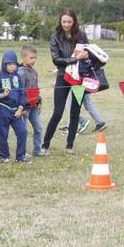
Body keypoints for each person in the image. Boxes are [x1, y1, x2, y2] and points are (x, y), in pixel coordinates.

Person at [41, 10, 89, 155]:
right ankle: (45, 145)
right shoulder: (55, 37)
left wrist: (86, 56)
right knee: (58, 112)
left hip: (79, 77)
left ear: (74, 21)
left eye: (69, 21)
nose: (66, 24)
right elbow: (56, 60)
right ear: (60, 22)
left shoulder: (81, 35)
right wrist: (75, 59)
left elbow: (88, 53)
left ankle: (70, 146)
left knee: (75, 112)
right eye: (64, 22)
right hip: (63, 76)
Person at [0, 49, 29, 163]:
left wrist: (21, 108)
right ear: (4, 64)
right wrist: (2, 95)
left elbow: (22, 93)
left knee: (23, 131)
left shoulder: (18, 77)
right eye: (9, 64)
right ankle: (4, 156)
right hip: (3, 109)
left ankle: (20, 156)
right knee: (3, 134)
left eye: (14, 64)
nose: (12, 67)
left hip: (16, 110)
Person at [18, 45, 45, 157]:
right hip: (25, 107)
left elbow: (36, 89)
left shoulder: (34, 73)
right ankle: (22, 152)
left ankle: (37, 150)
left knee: (38, 127)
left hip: (34, 106)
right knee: (23, 130)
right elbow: (20, 92)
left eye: (35, 58)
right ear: (23, 58)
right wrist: (22, 107)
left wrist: (39, 102)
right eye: (31, 58)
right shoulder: (21, 73)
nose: (33, 60)